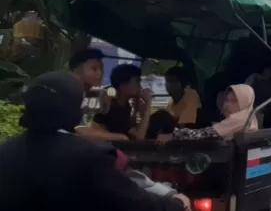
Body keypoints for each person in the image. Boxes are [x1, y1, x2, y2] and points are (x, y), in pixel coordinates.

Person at [0, 72, 190, 211]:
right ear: (71, 107)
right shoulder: (89, 156)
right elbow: (132, 201)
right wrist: (176, 204)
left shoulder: (6, 152)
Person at [157, 84, 258, 143]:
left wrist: (173, 136)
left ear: (245, 102)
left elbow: (202, 134)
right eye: (226, 99)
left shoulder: (238, 119)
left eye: (234, 101)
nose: (227, 104)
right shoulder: (249, 116)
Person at [92, 64, 152, 141]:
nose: (140, 87)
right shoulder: (114, 111)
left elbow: (129, 128)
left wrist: (135, 110)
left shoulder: (123, 105)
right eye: (137, 82)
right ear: (123, 86)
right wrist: (148, 104)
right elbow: (139, 138)